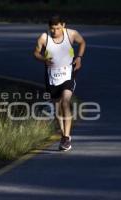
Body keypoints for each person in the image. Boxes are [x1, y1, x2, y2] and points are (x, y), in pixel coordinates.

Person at [34, 15, 86, 151]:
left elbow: (82, 42)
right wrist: (43, 59)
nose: (55, 32)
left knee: (65, 102)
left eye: (57, 28)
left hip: (69, 73)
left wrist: (79, 58)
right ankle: (63, 134)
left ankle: (66, 137)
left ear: (63, 25)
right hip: (52, 76)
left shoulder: (71, 34)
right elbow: (36, 53)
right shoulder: (44, 38)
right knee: (57, 108)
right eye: (52, 29)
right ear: (48, 28)